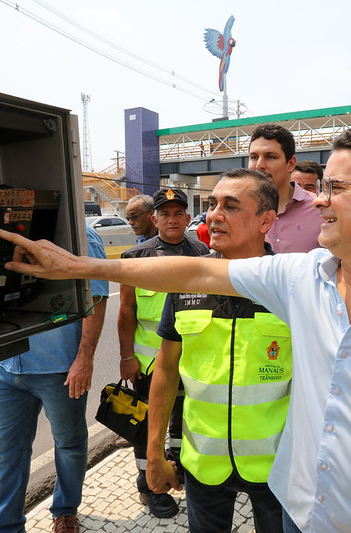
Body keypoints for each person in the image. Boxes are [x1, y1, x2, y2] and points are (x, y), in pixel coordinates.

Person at [0, 125, 351, 533]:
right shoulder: (302, 278)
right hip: (293, 512)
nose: (317, 198)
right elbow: (195, 270)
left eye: (334, 187)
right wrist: (80, 268)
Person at [146, 169, 290, 533]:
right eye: (212, 205)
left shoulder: (291, 287)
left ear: (266, 220)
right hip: (203, 463)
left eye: (230, 206)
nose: (213, 215)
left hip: (278, 467)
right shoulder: (186, 284)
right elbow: (165, 371)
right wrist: (154, 453)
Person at [0, 225, 108, 533]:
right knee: (6, 449)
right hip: (7, 367)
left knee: (69, 443)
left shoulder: (79, 234)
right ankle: (6, 525)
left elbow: (96, 298)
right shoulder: (4, 233)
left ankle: (65, 509)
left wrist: (84, 358)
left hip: (59, 366)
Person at [117, 188, 208, 518]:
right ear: (154, 219)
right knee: (146, 426)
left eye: (178, 213)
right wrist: (127, 356)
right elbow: (126, 310)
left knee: (183, 422)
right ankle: (149, 486)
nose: (172, 219)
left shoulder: (203, 254)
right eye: (164, 214)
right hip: (148, 362)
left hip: (191, 360)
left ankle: (179, 473)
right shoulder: (135, 258)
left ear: (187, 217)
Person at [248, 123, 322, 252]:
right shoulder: (240, 211)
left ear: (291, 164)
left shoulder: (320, 211)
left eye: (270, 157)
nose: (259, 165)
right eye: (254, 157)